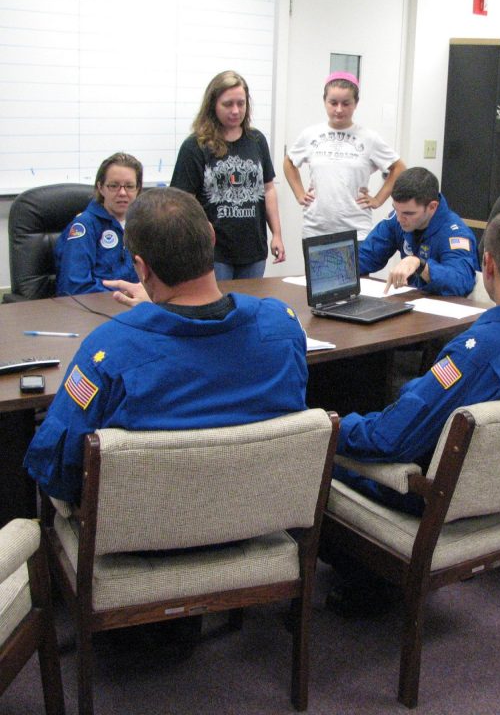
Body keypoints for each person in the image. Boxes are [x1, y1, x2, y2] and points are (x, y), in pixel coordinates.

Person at [24, 187, 307, 504]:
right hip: (258, 516)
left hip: (142, 529)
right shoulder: (281, 327)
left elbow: (56, 469)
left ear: (141, 268)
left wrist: (154, 314)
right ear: (212, 238)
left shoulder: (108, 352)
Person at [335, 207, 500, 516]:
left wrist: (332, 426)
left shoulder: (474, 354)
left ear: (489, 264)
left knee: (322, 454)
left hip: (441, 501)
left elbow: (388, 441)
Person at [171, 70, 285, 280]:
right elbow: (182, 201)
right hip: (214, 252)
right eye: (228, 104)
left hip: (253, 250)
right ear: (213, 105)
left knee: (249, 300)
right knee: (219, 301)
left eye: (241, 104)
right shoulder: (195, 145)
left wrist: (277, 234)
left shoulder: (257, 140)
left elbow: (268, 189)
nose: (235, 110)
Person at [283, 71, 406, 240]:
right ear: (325, 101)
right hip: (316, 229)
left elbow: (399, 168)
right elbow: (289, 162)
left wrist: (378, 200)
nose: (339, 109)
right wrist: (299, 194)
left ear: (356, 103)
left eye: (346, 103)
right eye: (333, 103)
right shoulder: (310, 134)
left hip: (356, 230)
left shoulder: (369, 138)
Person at [357, 167, 479, 296]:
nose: (399, 218)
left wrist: (421, 266)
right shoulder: (397, 220)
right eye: (396, 210)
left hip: (445, 305)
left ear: (432, 207)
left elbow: (461, 281)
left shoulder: (455, 234)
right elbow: (367, 256)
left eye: (408, 213)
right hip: (411, 300)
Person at [55, 152, 142, 295]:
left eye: (129, 186)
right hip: (97, 305)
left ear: (138, 189)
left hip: (138, 303)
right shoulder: (85, 225)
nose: (122, 192)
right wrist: (125, 293)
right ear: (100, 187)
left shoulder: (143, 225)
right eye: (114, 186)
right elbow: (74, 286)